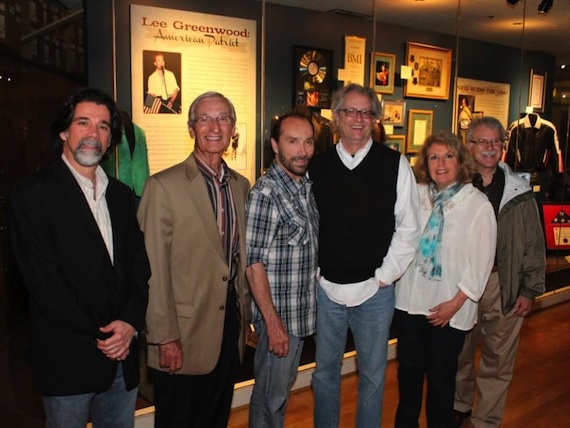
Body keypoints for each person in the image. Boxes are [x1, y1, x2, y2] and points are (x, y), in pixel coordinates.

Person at [10, 87, 150, 427]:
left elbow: (138, 266)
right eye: (83, 122)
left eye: (103, 126)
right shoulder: (33, 195)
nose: (94, 133)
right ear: (63, 132)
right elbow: (45, 283)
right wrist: (107, 335)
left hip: (122, 357)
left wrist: (130, 324)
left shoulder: (120, 195)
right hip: (68, 361)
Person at [309, 83, 421, 428]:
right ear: (335, 117)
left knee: (372, 376)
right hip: (327, 291)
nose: (358, 119)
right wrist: (316, 274)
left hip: (375, 292)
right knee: (325, 373)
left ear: (374, 119)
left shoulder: (394, 164)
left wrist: (384, 277)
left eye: (365, 112)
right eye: (350, 111)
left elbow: (409, 228)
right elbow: (308, 227)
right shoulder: (318, 166)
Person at [138, 91, 251, 428]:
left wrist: (245, 319)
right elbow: (151, 270)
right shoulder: (163, 187)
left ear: (232, 128)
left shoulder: (242, 186)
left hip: (228, 327)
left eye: (223, 118)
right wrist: (164, 336)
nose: (214, 126)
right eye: (204, 118)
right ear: (191, 128)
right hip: (181, 333)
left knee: (216, 417)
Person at [394, 131, 497, 427]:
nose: (441, 164)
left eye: (448, 156)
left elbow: (481, 262)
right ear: (425, 162)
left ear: (460, 160)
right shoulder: (416, 194)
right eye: (434, 157)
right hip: (410, 303)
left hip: (448, 309)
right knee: (408, 377)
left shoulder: (476, 203)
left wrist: (455, 304)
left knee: (440, 381)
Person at [453, 116, 546, 427]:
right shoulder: (455, 187)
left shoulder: (520, 192)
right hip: (462, 284)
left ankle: (486, 421)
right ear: (469, 146)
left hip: (503, 283)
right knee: (459, 352)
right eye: (482, 141)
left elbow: (534, 243)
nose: (489, 148)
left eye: (495, 142)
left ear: (503, 147)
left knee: (498, 359)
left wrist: (530, 289)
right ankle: (459, 405)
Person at [246, 112, 319, 427]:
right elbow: (253, 263)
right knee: (269, 400)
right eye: (293, 141)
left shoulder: (304, 188)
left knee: (279, 396)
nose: (302, 150)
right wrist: (273, 325)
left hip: (300, 316)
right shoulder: (266, 194)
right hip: (280, 321)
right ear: (275, 145)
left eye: (308, 141)